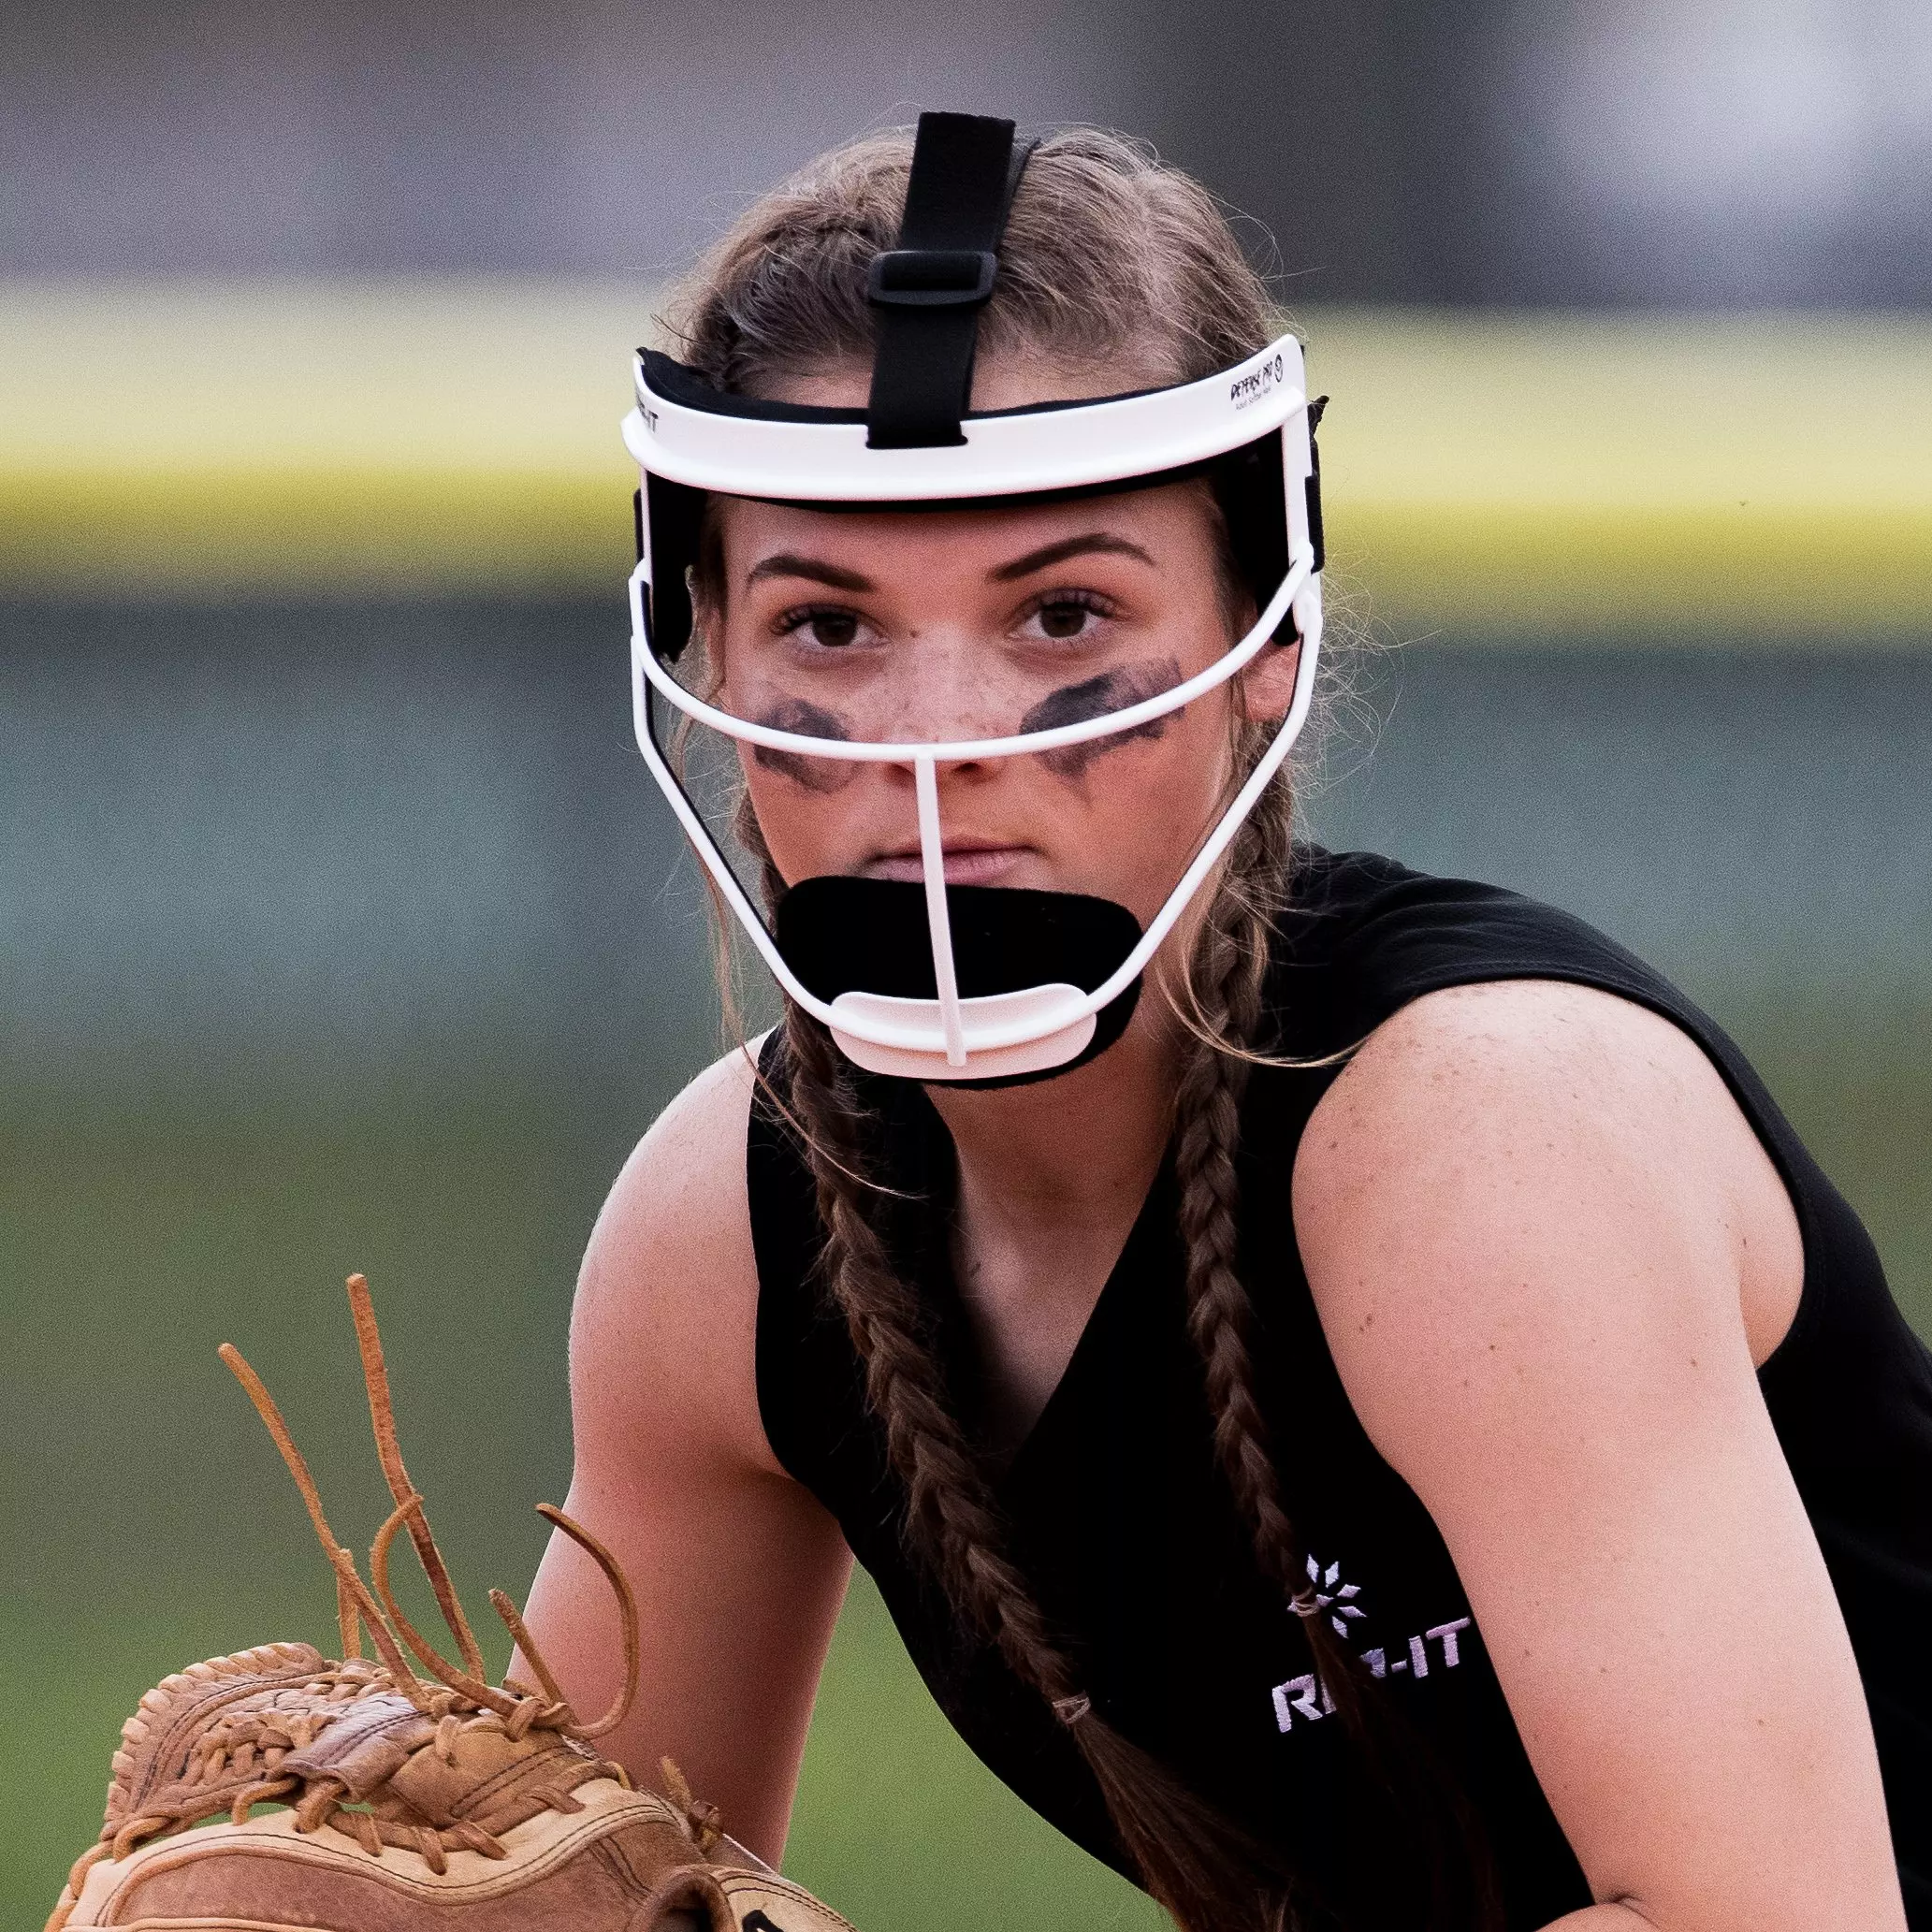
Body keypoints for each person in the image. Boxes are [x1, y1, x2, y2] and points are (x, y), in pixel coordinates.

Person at [518, 116, 1932, 1932]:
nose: (941, 753)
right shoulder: (723, 1245)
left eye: (1063, 612)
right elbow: (570, 1895)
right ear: (702, 648)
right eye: (832, 628)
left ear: (1262, 641)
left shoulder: (1480, 1140)